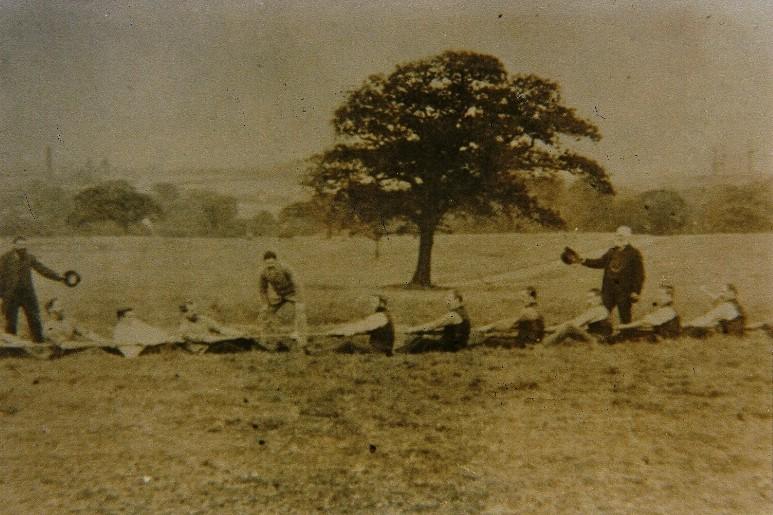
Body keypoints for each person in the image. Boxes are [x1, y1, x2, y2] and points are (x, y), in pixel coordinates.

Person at [569, 226, 644, 324]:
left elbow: (639, 274)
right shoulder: (611, 251)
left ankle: (626, 335)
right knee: (601, 313)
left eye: (621, 235)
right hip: (608, 290)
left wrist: (636, 291)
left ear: (628, 237)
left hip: (624, 291)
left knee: (625, 317)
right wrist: (583, 261)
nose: (618, 237)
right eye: (617, 235)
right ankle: (600, 332)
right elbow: (600, 262)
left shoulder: (634, 253)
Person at [0, 236, 68, 342]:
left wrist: (59, 277)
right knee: (11, 321)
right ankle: (12, 346)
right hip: (11, 295)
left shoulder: (29, 257)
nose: (22, 247)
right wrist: (2, 295)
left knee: (34, 319)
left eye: (24, 245)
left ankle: (39, 343)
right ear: (14, 246)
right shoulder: (5, 258)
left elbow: (42, 269)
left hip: (27, 294)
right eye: (19, 245)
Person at [259, 251, 307, 347]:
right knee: (264, 313)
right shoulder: (263, 273)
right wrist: (265, 304)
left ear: (276, 262)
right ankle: (264, 340)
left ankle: (302, 341)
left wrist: (300, 301)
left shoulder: (286, 268)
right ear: (264, 263)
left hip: (293, 295)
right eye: (268, 265)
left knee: (300, 313)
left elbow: (297, 284)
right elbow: (263, 290)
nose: (270, 267)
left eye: (272, 264)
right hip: (279, 296)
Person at [400, 290, 471, 353]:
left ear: (457, 300)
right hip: (460, 344)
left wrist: (412, 329)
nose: (447, 303)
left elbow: (433, 325)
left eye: (449, 300)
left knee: (421, 342)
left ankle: (400, 352)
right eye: (446, 300)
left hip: (452, 346)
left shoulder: (453, 315)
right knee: (422, 340)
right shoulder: (463, 312)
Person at [323, 294, 395, 356]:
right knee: (352, 343)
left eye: (373, 302)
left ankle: (322, 353)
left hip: (378, 351)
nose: (370, 305)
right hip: (383, 350)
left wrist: (335, 332)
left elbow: (359, 328)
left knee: (349, 344)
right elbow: (363, 330)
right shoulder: (384, 315)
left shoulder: (379, 316)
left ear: (381, 304)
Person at [475, 286, 544, 347]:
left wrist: (490, 327)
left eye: (524, 297)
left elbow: (510, 326)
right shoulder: (536, 309)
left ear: (531, 297)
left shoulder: (528, 311)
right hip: (534, 339)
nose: (522, 300)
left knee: (490, 340)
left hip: (526, 342)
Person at [610, 283, 680, 342]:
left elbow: (644, 322)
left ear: (669, 297)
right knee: (635, 332)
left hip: (663, 338)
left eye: (661, 295)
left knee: (632, 335)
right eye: (657, 295)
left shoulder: (667, 311)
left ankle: (609, 340)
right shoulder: (667, 309)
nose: (658, 297)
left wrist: (623, 326)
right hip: (661, 335)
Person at [177, 300, 254, 353]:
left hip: (213, 343)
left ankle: (261, 350)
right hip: (205, 349)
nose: (195, 313)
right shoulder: (183, 327)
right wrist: (225, 339)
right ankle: (249, 354)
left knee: (244, 340)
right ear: (184, 313)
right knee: (226, 345)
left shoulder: (203, 319)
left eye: (196, 310)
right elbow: (204, 339)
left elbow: (220, 329)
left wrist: (239, 334)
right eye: (192, 311)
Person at [542, 288, 612, 345]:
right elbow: (582, 325)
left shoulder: (597, 309)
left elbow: (575, 323)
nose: (588, 301)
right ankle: (547, 339)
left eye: (590, 298)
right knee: (567, 329)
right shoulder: (602, 309)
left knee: (568, 327)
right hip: (599, 339)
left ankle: (544, 344)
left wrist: (553, 328)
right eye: (588, 298)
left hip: (597, 340)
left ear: (599, 298)